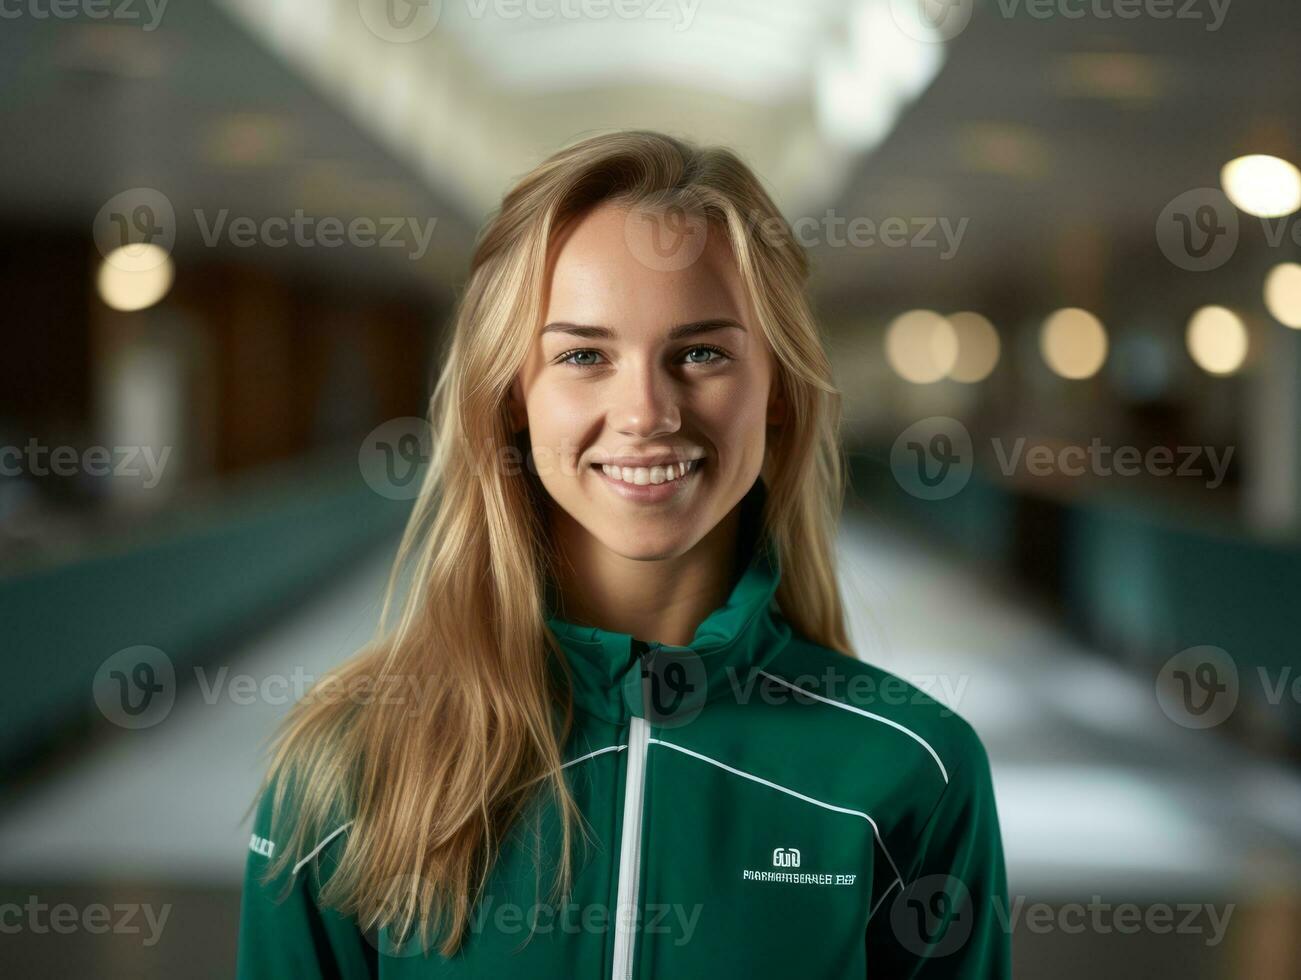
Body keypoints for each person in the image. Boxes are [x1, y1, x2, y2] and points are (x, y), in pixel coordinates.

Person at [236, 130, 1011, 978]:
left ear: (780, 390)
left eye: (702, 353)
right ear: (510, 400)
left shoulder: (909, 771)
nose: (645, 411)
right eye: (582, 356)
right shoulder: (349, 762)